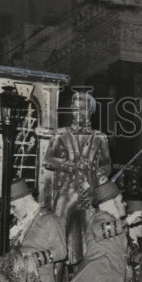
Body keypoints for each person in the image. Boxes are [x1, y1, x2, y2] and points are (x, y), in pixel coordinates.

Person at [44, 90, 111, 220]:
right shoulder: (60, 133)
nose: (78, 112)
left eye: (83, 108)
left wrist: (97, 175)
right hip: (64, 194)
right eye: (75, 108)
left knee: (89, 234)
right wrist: (72, 165)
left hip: (90, 196)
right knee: (60, 233)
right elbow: (48, 160)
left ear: (91, 110)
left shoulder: (100, 138)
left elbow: (107, 166)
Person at [8, 179, 67, 282]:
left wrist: (33, 259)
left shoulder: (49, 220)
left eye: (13, 207)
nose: (11, 212)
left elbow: (61, 251)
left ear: (25, 201)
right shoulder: (17, 226)